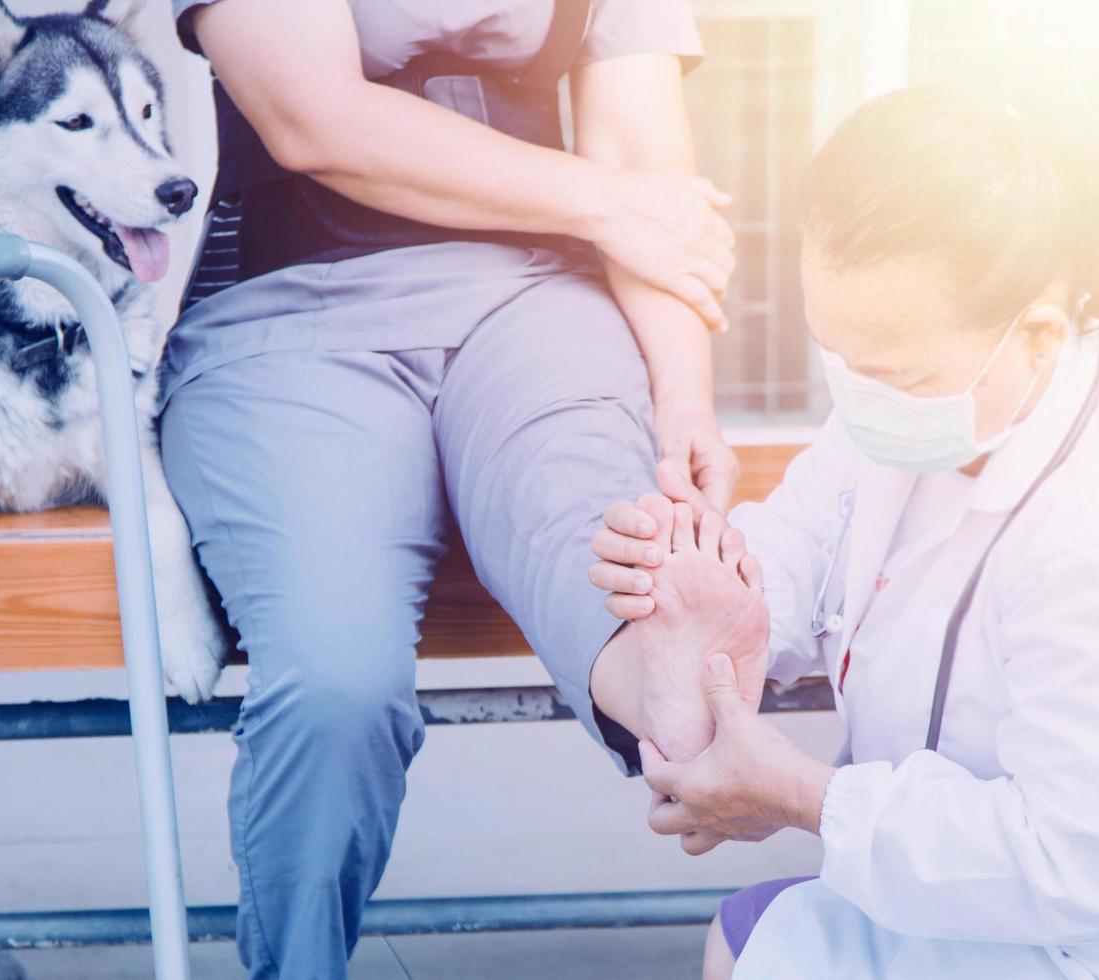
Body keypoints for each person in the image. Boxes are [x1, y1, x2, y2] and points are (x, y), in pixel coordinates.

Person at [581, 87, 1099, 979]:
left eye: (891, 370)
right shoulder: (931, 387)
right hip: (974, 892)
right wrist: (715, 590)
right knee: (750, 941)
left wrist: (805, 797)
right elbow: (807, 532)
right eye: (835, 356)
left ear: (1038, 334)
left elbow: (1080, 867)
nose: (858, 395)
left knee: (760, 950)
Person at [161, 0, 740, 972]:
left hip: (538, 301)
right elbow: (313, 119)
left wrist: (684, 398)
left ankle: (685, 701)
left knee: (600, 548)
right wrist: (603, 201)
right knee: (335, 684)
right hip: (290, 314)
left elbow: (650, 176)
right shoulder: (586, 198)